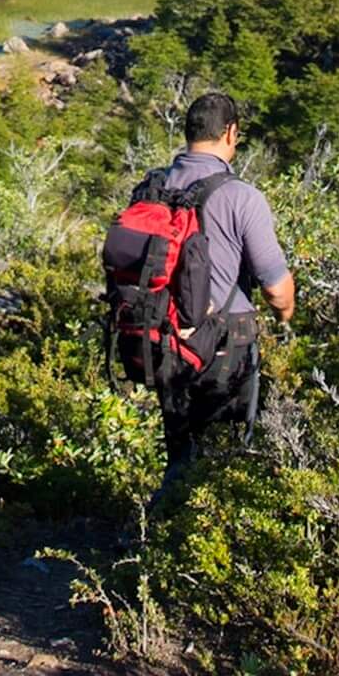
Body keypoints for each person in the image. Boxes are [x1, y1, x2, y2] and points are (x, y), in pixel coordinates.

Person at [144, 89, 295, 473]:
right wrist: (286, 318)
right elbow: (276, 288)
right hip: (226, 343)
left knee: (180, 455)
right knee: (226, 462)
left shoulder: (153, 187)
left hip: (164, 338)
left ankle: (162, 524)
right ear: (230, 133)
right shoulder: (241, 196)